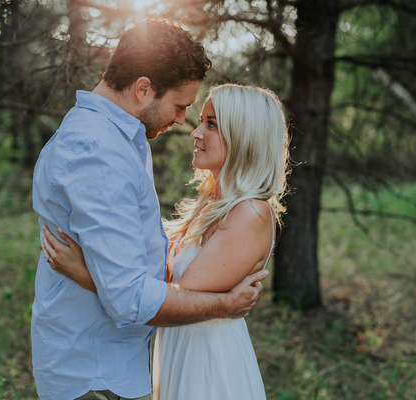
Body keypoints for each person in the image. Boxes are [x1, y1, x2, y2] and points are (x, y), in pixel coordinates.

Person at [32, 19, 269, 400]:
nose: (181, 122)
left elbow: (131, 246)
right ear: (143, 89)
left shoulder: (118, 138)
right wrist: (227, 304)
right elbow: (128, 296)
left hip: (117, 363)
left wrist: (91, 272)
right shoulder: (98, 152)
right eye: (180, 107)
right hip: (98, 372)